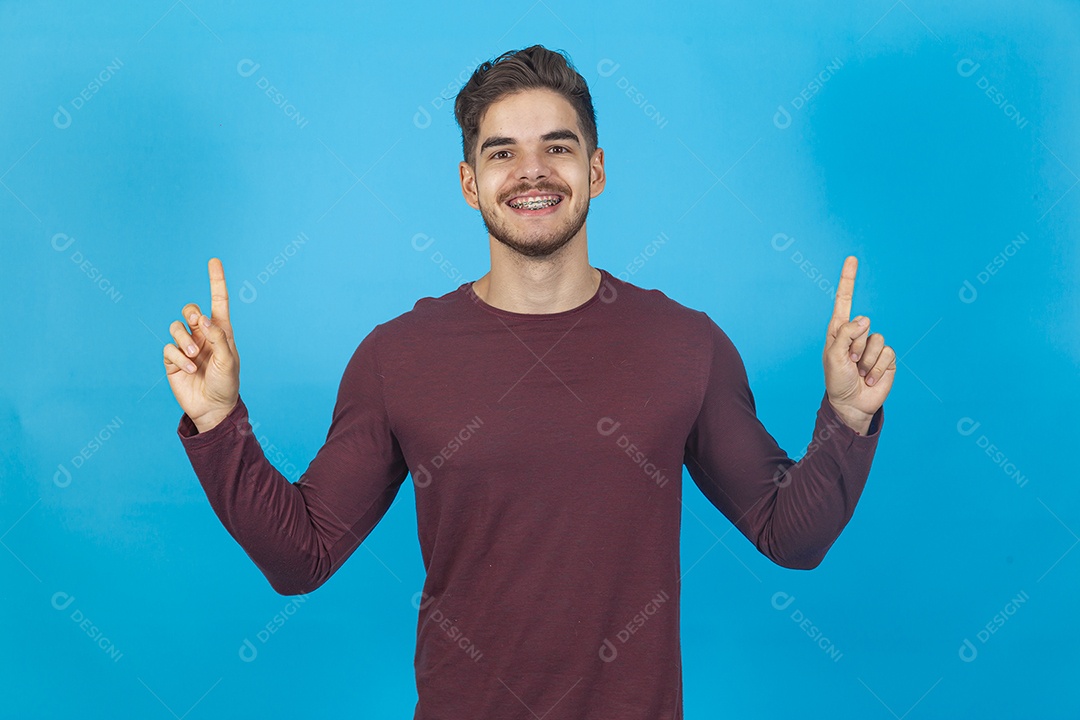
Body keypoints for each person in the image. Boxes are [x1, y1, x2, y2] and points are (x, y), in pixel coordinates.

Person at [164, 44, 893, 720]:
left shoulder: (686, 346)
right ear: (469, 183)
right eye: (503, 152)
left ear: (596, 171)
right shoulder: (398, 357)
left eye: (558, 147)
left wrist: (847, 420)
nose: (532, 172)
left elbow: (788, 537)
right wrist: (221, 422)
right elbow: (302, 557)